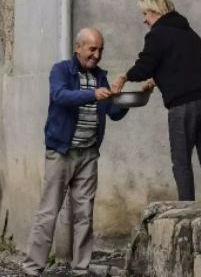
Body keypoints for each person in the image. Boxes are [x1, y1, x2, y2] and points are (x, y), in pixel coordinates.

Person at [22, 28, 129, 276]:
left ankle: (81, 268)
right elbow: (60, 96)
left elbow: (113, 113)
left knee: (84, 215)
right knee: (49, 211)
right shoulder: (60, 71)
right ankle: (32, 266)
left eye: (100, 49)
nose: (97, 54)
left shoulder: (101, 77)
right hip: (61, 152)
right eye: (92, 49)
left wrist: (127, 100)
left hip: (88, 154)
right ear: (78, 47)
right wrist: (93, 94)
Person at [111, 0, 201, 201]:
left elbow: (144, 66)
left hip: (184, 104)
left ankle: (186, 211)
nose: (144, 19)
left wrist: (124, 77)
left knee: (181, 160)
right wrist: (158, 80)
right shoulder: (189, 33)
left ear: (156, 12)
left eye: (145, 13)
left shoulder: (157, 35)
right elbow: (184, 64)